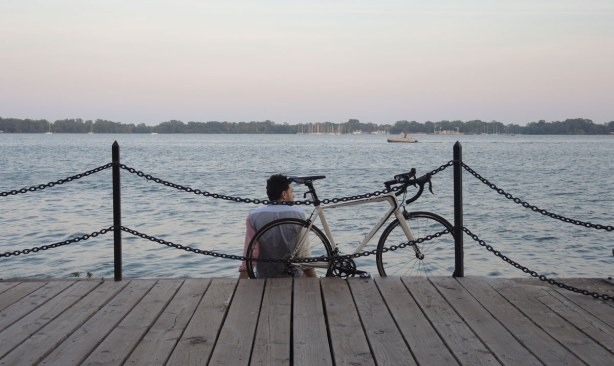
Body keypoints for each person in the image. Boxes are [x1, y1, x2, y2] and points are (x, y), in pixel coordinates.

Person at [239, 174, 316, 279]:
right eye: (292, 191)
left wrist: (241, 282)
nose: (293, 196)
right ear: (284, 194)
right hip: (295, 278)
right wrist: (314, 280)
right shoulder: (300, 214)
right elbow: (303, 253)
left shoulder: (253, 216)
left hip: (264, 278)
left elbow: (252, 253)